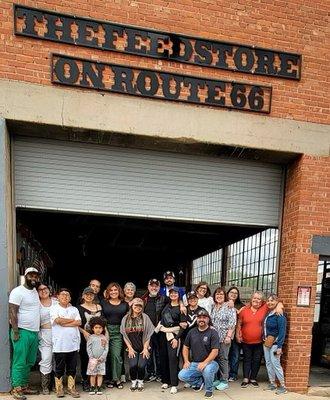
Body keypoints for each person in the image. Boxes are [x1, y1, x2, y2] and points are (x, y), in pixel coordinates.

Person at [236, 291, 283, 388]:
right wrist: (237, 335)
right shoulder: (244, 310)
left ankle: (253, 378)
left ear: (262, 302)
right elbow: (239, 323)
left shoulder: (264, 307)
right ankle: (246, 378)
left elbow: (277, 301)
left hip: (260, 341)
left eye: (259, 299)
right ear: (251, 299)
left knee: (257, 360)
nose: (257, 300)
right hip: (246, 340)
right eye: (255, 298)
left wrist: (279, 306)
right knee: (247, 359)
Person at [9, 267, 41, 400]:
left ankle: (24, 386)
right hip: (21, 331)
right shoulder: (17, 291)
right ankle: (16, 388)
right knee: (19, 361)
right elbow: (12, 311)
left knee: (29, 361)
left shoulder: (34, 291)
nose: (33, 278)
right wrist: (16, 331)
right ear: (25, 276)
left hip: (34, 332)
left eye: (36, 276)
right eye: (31, 276)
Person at [178, 309, 220, 399]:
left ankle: (209, 390)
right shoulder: (192, 332)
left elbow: (215, 351)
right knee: (182, 375)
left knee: (207, 370)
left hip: (211, 363)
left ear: (208, 319)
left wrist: (205, 363)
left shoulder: (213, 332)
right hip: (195, 363)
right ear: (196, 319)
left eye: (204, 317)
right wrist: (186, 361)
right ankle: (200, 382)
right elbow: (185, 347)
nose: (201, 319)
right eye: (199, 317)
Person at [50, 288, 81, 398]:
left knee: (72, 367)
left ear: (70, 298)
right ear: (57, 296)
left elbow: (79, 322)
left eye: (67, 295)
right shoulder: (54, 308)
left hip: (73, 343)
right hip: (59, 344)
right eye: (62, 295)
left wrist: (65, 322)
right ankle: (59, 389)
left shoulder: (74, 309)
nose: (65, 297)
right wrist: (71, 320)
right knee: (59, 368)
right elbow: (58, 321)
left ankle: (71, 388)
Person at [156, 286, 187, 394]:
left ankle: (174, 383)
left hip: (174, 336)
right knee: (163, 358)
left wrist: (177, 339)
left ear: (179, 295)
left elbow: (183, 326)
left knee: (173, 359)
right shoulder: (166, 305)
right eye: (171, 293)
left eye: (175, 293)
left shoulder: (182, 308)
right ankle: (166, 380)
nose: (173, 295)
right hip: (163, 335)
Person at [120, 298, 155, 391]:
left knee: (141, 366)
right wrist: (130, 348)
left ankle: (140, 382)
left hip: (144, 346)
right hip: (132, 347)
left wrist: (145, 348)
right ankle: (133, 382)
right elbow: (124, 334)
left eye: (140, 306)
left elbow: (149, 334)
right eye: (136, 305)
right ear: (132, 306)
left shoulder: (145, 317)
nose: (138, 307)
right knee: (133, 366)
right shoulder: (125, 318)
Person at [100, 282, 129, 389]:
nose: (113, 292)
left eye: (115, 290)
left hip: (118, 332)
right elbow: (101, 317)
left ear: (119, 291)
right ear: (108, 292)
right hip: (105, 330)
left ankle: (116, 379)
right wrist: (105, 331)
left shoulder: (124, 304)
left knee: (116, 355)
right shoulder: (103, 302)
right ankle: (107, 379)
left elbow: (128, 319)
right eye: (111, 290)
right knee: (105, 356)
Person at [210, 287, 237, 391]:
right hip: (213, 338)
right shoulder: (213, 306)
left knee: (223, 359)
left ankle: (224, 380)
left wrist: (228, 336)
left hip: (224, 338)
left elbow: (232, 322)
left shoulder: (229, 306)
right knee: (214, 358)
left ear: (225, 296)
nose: (219, 296)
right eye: (217, 294)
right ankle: (216, 379)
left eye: (221, 294)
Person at [77, 287, 103, 391]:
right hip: (85, 337)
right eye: (87, 294)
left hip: (98, 337)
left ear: (94, 295)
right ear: (83, 296)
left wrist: (105, 336)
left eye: (91, 294)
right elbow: (75, 323)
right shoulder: (78, 308)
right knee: (85, 359)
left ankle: (97, 381)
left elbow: (103, 322)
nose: (89, 296)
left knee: (98, 358)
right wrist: (84, 332)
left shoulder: (98, 307)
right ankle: (85, 380)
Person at [142, 278, 168, 382]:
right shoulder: (143, 299)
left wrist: (181, 304)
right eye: (152, 286)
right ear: (148, 287)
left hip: (159, 330)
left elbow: (174, 302)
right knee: (148, 351)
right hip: (147, 330)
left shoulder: (164, 298)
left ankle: (159, 373)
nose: (154, 287)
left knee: (159, 352)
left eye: (156, 286)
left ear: (159, 287)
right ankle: (150, 373)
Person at [263, 294, 287, 395]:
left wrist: (280, 346)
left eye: (272, 300)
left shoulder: (279, 314)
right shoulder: (269, 313)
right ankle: (272, 383)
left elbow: (282, 331)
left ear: (277, 301)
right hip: (267, 342)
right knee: (268, 363)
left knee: (276, 364)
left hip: (275, 344)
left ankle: (283, 386)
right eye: (268, 301)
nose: (269, 302)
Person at [38, 283, 58, 395]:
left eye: (45, 288)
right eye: (40, 289)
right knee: (46, 359)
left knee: (57, 359)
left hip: (58, 333)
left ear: (49, 290)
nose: (43, 291)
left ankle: (55, 384)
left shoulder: (56, 302)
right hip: (44, 334)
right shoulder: (36, 304)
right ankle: (45, 386)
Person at [86, 316, 109, 395]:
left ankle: (98, 387)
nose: (98, 329)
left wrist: (102, 357)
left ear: (103, 329)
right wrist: (91, 357)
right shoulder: (91, 338)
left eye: (100, 327)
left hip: (101, 361)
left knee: (100, 374)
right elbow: (88, 348)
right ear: (93, 328)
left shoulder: (104, 338)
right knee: (93, 374)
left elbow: (106, 348)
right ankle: (92, 387)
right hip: (93, 360)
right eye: (96, 327)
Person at [227, 286, 245, 382]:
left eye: (235, 293)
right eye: (231, 292)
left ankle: (233, 374)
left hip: (236, 333)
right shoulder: (223, 303)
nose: (233, 294)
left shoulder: (241, 306)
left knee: (235, 354)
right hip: (226, 333)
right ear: (228, 293)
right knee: (224, 355)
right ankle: (223, 374)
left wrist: (233, 307)